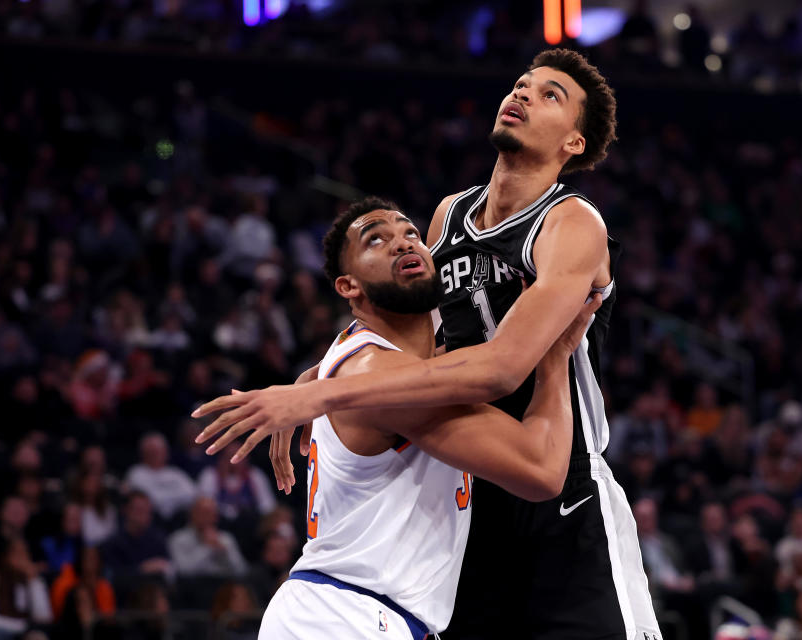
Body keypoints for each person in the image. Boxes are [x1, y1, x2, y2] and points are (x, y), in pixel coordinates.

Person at [195, 49, 660, 639]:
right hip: (471, 488)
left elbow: (500, 368)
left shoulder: (572, 224)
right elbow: (413, 339)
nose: (521, 94)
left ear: (573, 142)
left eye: (549, 95)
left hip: (561, 493)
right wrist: (319, 377)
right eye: (521, 83)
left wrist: (322, 398)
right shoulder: (450, 215)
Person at [206, 198, 596, 638]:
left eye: (410, 233)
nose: (401, 243)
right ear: (348, 286)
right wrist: (556, 356)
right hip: (346, 616)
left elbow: (455, 362)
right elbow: (540, 469)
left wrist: (313, 386)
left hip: (360, 614)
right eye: (376, 239)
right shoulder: (377, 373)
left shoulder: (380, 365)